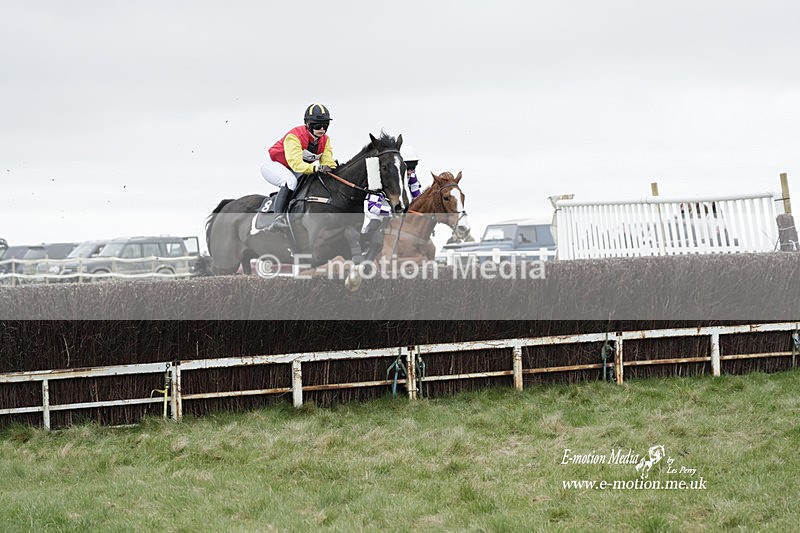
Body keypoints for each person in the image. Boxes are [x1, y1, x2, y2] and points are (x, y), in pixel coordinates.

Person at [259, 103, 338, 230]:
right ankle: (277, 218)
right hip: (274, 165)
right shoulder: (294, 136)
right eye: (318, 125)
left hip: (293, 168)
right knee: (290, 181)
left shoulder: (325, 140)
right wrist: (316, 168)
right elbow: (296, 164)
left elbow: (327, 161)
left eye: (325, 125)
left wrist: (334, 169)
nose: (322, 129)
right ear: (307, 124)